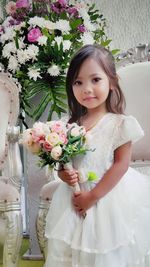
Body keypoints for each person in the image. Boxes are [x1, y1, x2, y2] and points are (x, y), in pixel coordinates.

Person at [44, 44, 150, 267]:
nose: (87, 89)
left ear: (111, 81)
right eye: (78, 82)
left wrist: (92, 197)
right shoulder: (69, 125)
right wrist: (64, 175)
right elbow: (63, 164)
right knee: (72, 251)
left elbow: (121, 165)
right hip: (73, 199)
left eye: (95, 80)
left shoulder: (120, 124)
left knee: (104, 252)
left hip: (107, 197)